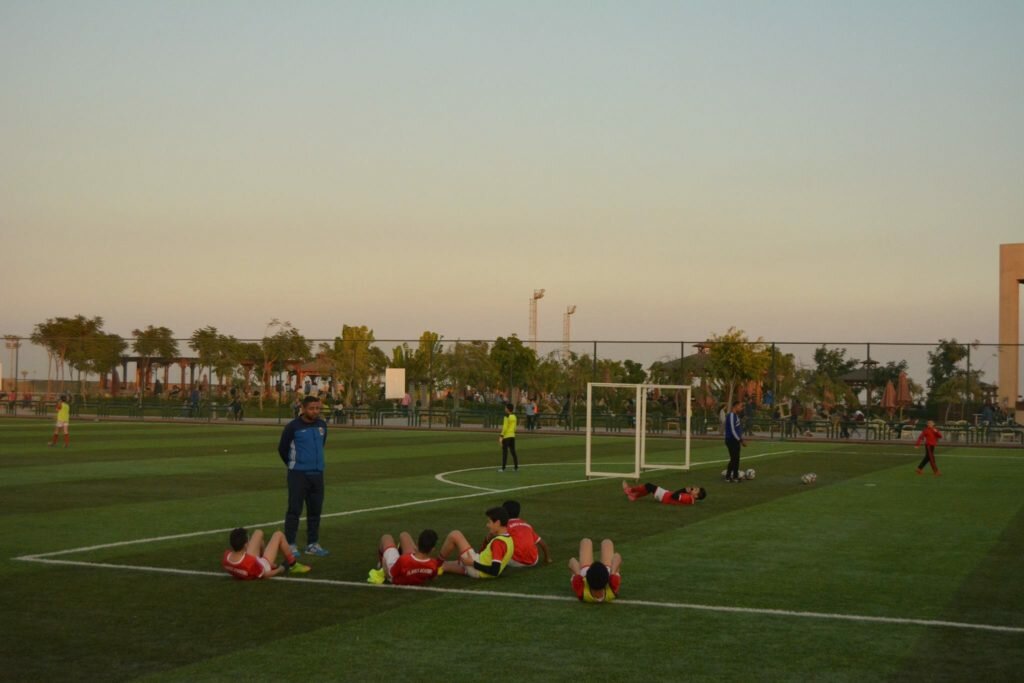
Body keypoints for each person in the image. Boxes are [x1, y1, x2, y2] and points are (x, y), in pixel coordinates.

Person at [278, 395, 330, 557]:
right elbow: (282, 449)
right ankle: (290, 544)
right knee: (294, 510)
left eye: (317, 408)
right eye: (311, 408)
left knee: (315, 511)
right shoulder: (293, 427)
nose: (315, 411)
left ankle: (312, 544)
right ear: (303, 409)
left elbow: (322, 444)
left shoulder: (322, 425)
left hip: (317, 474)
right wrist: (294, 464)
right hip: (298, 475)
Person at [438, 507, 515, 579]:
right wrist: (486, 541)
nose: (487, 525)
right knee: (444, 565)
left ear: (497, 523)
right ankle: (439, 566)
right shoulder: (509, 539)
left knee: (455, 535)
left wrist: (472, 563)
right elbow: (489, 558)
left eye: (489, 522)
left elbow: (495, 571)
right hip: (481, 571)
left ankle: (438, 561)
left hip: (477, 569)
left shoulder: (498, 542)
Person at [221, 527, 310, 580]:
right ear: (245, 545)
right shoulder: (250, 562)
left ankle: (263, 555)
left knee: (258, 532)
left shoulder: (226, 556)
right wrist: (281, 569)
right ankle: (293, 565)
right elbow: (265, 575)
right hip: (263, 566)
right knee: (278, 535)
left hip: (248, 561)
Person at [366, 529, 444, 585]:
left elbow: (390, 575)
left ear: (417, 544)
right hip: (411, 562)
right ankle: (399, 550)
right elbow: (433, 577)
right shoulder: (433, 564)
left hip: (396, 576)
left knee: (386, 537)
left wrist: (384, 563)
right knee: (404, 535)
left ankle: (380, 564)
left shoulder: (404, 559)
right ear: (432, 549)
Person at [489, 500, 551, 568]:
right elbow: (543, 544)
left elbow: (491, 537)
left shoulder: (504, 526)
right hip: (534, 560)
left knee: (495, 544)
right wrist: (547, 558)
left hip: (517, 561)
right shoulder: (526, 525)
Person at [568, 538, 622, 603]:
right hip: (593, 572)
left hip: (585, 574)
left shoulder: (581, 591)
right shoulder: (612, 585)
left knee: (586, 542)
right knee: (607, 542)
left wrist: (578, 575)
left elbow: (572, 561)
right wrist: (612, 572)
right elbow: (617, 556)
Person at [622, 481, 707, 505]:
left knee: (648, 486)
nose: (693, 489)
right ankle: (634, 496)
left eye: (695, 490)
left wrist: (684, 489)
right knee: (650, 489)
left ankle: (629, 490)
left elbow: (674, 496)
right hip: (666, 495)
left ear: (696, 496)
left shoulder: (688, 498)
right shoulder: (691, 499)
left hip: (665, 497)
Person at [724, 400, 746, 482]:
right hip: (731, 440)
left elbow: (737, 429)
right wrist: (741, 440)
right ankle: (728, 476)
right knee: (734, 458)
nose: (741, 408)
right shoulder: (731, 416)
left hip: (735, 440)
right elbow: (733, 430)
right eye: (740, 406)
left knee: (736, 459)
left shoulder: (736, 416)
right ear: (735, 406)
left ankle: (735, 477)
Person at [498, 402, 518, 472]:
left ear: (508, 409)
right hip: (512, 436)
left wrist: (501, 436)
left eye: (505, 408)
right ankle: (516, 467)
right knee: (513, 452)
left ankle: (503, 468)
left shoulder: (506, 416)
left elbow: (505, 427)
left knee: (505, 452)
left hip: (506, 436)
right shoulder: (514, 416)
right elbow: (515, 427)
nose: (505, 409)